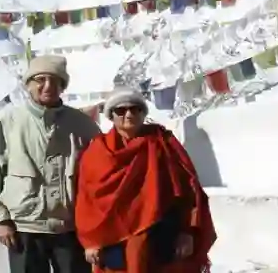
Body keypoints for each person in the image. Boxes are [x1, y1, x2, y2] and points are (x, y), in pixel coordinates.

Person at [0, 55, 102, 273]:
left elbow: (101, 173)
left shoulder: (82, 125)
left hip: (69, 228)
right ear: (29, 84)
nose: (48, 86)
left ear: (63, 86)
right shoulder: (9, 122)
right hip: (24, 228)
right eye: (40, 79)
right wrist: (1, 220)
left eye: (55, 81)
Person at [74, 90, 216, 273]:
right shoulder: (97, 151)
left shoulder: (163, 142)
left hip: (162, 235)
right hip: (116, 240)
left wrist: (187, 232)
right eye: (121, 110)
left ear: (143, 113)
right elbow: (87, 200)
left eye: (135, 109)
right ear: (111, 116)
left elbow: (189, 191)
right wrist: (91, 240)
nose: (129, 114)